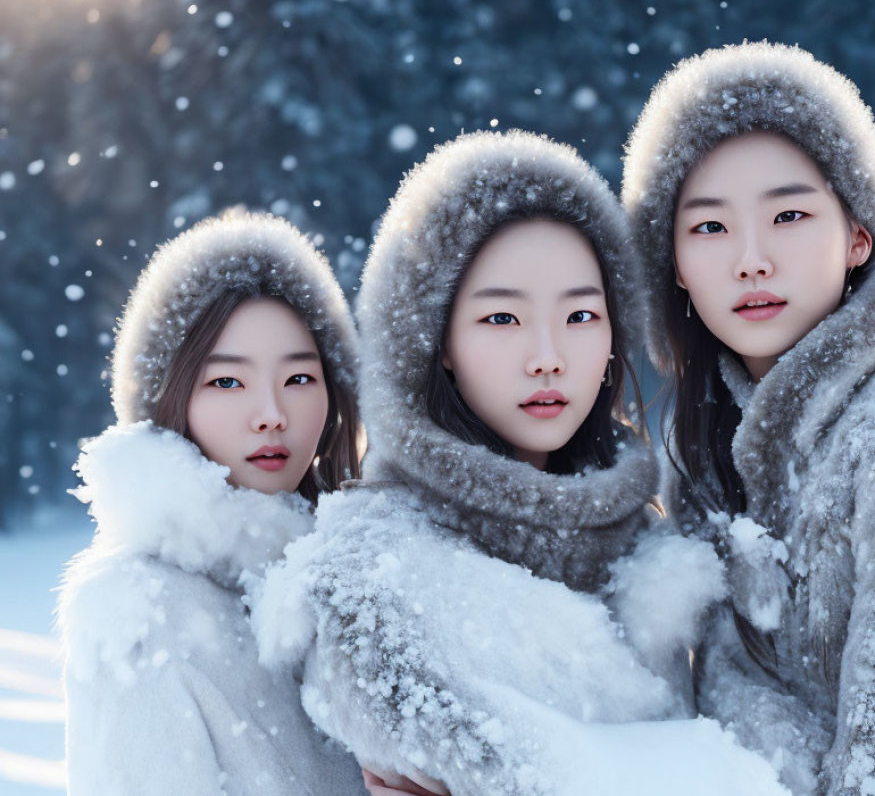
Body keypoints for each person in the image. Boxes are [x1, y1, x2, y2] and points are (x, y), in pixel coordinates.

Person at [249, 131, 783, 796]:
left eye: (581, 315)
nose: (548, 355)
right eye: (503, 318)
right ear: (435, 340)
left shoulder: (656, 550)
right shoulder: (374, 580)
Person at [622, 41, 875, 795]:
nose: (751, 260)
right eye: (709, 228)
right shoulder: (706, 429)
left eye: (789, 214)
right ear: (674, 269)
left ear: (858, 236)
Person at [57, 212, 367, 795]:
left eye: (300, 378)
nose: (272, 412)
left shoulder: (356, 579)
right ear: (170, 399)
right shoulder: (141, 610)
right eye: (227, 382)